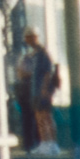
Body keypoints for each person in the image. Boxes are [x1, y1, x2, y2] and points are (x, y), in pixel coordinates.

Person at [12, 19, 65, 151]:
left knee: (45, 116)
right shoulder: (34, 54)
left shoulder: (42, 54)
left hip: (42, 90)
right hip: (36, 89)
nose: (28, 41)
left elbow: (47, 72)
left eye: (29, 37)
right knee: (39, 117)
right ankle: (45, 142)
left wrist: (44, 89)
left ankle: (52, 143)